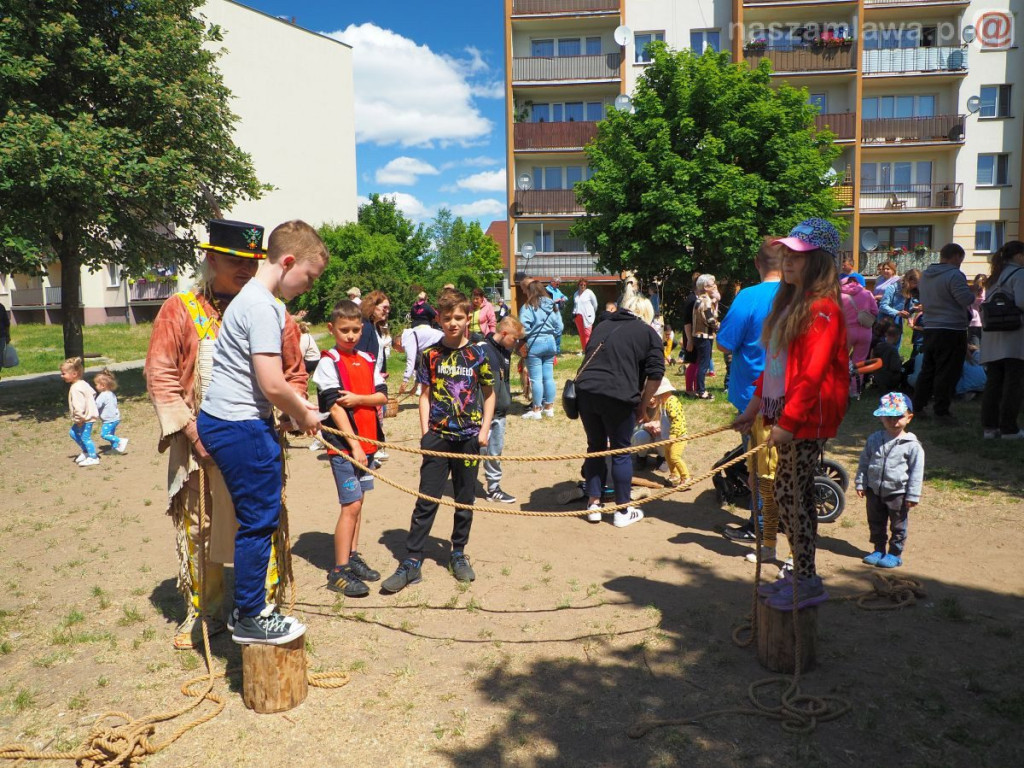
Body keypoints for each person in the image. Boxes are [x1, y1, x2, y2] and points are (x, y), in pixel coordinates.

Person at [145, 219, 309, 649]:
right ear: (211, 258)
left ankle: (261, 607)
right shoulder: (180, 308)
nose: (244, 269)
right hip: (198, 439)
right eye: (234, 260)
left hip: (253, 434)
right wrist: (192, 429)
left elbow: (293, 373)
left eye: (252, 261)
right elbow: (161, 375)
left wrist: (294, 412)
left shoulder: (273, 310)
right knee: (200, 526)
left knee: (260, 521)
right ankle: (206, 610)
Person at [196, 220, 327, 646]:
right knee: (258, 523)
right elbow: (272, 383)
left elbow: (261, 384)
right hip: (240, 427)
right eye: (308, 276)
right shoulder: (265, 307)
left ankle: (246, 606)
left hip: (231, 421)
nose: (308, 286)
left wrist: (291, 410)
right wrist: (304, 415)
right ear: (288, 262)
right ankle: (251, 615)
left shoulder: (250, 300)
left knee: (254, 521)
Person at [733, 218, 849, 611]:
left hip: (805, 416)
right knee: (787, 494)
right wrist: (753, 409)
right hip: (785, 412)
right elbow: (775, 365)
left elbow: (812, 375)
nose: (789, 262)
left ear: (819, 262)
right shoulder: (791, 304)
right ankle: (801, 573)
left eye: (798, 256)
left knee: (791, 495)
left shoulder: (822, 311)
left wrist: (788, 424)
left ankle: (806, 579)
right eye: (787, 254)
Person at [382, 291, 495, 593]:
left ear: (467, 318)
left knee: (464, 500)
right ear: (439, 320)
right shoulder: (431, 354)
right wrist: (425, 433)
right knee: (426, 500)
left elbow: (490, 393)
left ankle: (458, 553)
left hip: (469, 439)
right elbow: (424, 395)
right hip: (437, 437)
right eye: (447, 318)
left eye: (458, 317)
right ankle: (413, 559)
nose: (453, 323)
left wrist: (484, 431)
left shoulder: (479, 354)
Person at [313, 299, 388, 597]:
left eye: (356, 329)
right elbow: (335, 407)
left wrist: (358, 398)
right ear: (332, 329)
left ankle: (353, 555)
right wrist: (354, 446)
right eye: (344, 330)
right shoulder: (328, 362)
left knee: (360, 502)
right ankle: (339, 570)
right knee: (351, 504)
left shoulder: (369, 360)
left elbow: (382, 397)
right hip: (345, 447)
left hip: (368, 444)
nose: (351, 335)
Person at [575, 299, 665, 528]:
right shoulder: (647, 332)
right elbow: (656, 374)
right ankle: (622, 510)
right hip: (618, 395)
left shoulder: (602, 326)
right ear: (646, 313)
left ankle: (593, 505)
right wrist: (643, 405)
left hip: (586, 391)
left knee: (595, 447)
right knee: (621, 451)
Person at [717, 238, 783, 543]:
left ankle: (761, 525)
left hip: (755, 398)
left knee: (760, 467)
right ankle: (778, 518)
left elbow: (724, 342)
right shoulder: (802, 295)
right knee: (783, 463)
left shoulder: (749, 297)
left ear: (758, 264)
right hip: (794, 394)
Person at [855, 393, 924, 569]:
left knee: (898, 525)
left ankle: (895, 553)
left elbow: (917, 471)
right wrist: (861, 483)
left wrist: (913, 495)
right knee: (875, 522)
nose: (894, 421)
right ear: (881, 417)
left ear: (909, 418)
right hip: (874, 491)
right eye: (889, 417)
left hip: (898, 494)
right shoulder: (874, 439)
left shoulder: (912, 445)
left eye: (899, 417)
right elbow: (864, 462)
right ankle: (878, 549)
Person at [912, 243, 974, 422]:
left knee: (928, 369)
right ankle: (941, 410)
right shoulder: (954, 274)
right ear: (955, 257)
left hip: (930, 327)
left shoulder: (926, 276)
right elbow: (964, 299)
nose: (960, 264)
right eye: (960, 260)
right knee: (948, 371)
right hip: (951, 328)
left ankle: (918, 406)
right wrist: (972, 293)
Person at [980, 241, 1024, 438]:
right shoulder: (1019, 274)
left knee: (993, 383)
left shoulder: (994, 277)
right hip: (1014, 335)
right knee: (1013, 384)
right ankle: (1008, 428)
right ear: (1018, 256)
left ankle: (990, 427)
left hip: (992, 336)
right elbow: (1022, 302)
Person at [481, 315, 525, 503]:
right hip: (483, 414)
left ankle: (493, 488)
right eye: (514, 339)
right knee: (475, 451)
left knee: (495, 451)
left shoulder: (505, 352)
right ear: (504, 333)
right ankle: (464, 489)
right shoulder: (482, 350)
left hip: (500, 413)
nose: (516, 343)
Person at [520, 279, 563, 419]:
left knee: (536, 379)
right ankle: (549, 408)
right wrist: (552, 334)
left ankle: (537, 409)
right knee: (549, 377)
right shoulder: (552, 305)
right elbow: (560, 327)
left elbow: (523, 328)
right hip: (550, 342)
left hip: (535, 343)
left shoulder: (528, 306)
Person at [635, 377, 689, 486]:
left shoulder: (671, 402)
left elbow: (676, 420)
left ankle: (685, 477)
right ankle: (675, 476)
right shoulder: (665, 403)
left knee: (674, 457)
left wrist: (673, 434)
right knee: (669, 457)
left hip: (677, 437)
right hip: (667, 437)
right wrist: (647, 425)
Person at [61, 356, 100, 467]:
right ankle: (86, 451)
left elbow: (78, 406)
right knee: (73, 433)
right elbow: (93, 393)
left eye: (64, 373)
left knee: (85, 437)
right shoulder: (83, 383)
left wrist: (79, 419)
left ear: (74, 374)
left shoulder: (76, 388)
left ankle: (93, 457)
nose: (61, 375)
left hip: (84, 418)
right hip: (86, 416)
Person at [395, 321, 444, 396]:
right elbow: (420, 367)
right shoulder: (411, 336)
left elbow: (410, 363)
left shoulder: (408, 341)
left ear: (398, 343)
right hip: (438, 342)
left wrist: (405, 381)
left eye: (396, 349)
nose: (396, 351)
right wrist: (415, 386)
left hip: (441, 342)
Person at [692, 274, 719, 400]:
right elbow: (709, 319)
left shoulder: (700, 299)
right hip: (704, 336)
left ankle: (699, 389)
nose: (714, 286)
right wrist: (719, 327)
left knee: (702, 363)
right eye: (712, 284)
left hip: (699, 335)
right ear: (705, 287)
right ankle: (701, 391)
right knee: (704, 363)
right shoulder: (706, 300)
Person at [93, 368, 128, 455]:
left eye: (96, 384)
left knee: (104, 435)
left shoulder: (102, 396)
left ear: (103, 385)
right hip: (115, 418)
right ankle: (115, 449)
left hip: (109, 420)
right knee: (111, 434)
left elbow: (96, 406)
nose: (95, 386)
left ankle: (120, 441)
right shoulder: (111, 394)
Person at [679, 271, 702, 393]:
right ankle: (689, 389)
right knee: (694, 362)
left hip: (697, 334)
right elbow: (687, 322)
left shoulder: (699, 299)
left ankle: (696, 388)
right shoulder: (691, 300)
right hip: (691, 335)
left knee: (698, 362)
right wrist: (689, 340)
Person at [872, 325, 905, 394]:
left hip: (877, 377)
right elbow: (895, 367)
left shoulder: (878, 345)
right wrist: (900, 360)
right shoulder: (893, 350)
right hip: (889, 380)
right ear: (897, 336)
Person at [572, 278, 598, 351]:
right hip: (578, 316)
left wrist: (592, 312)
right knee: (581, 334)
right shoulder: (576, 294)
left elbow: (595, 304)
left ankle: (588, 350)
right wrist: (573, 314)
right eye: (581, 285)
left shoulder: (589, 293)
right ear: (578, 285)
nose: (583, 286)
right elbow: (575, 305)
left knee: (587, 333)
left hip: (587, 316)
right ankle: (584, 349)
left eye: (584, 285)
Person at [968, 273, 986, 348]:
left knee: (985, 348)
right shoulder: (971, 292)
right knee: (975, 348)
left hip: (985, 324)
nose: (980, 286)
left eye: (983, 283)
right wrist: (975, 291)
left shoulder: (987, 292)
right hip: (973, 324)